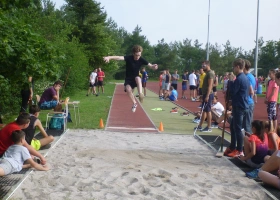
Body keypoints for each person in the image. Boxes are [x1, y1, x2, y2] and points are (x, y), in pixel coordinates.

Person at [103, 45, 158, 112]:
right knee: (128, 89)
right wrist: (109, 57)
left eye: (139, 55)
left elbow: (150, 65)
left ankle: (140, 93)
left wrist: (154, 66)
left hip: (136, 78)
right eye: (136, 55)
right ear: (133, 53)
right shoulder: (129, 58)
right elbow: (119, 57)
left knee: (138, 78)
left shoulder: (141, 59)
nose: (138, 57)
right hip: (128, 79)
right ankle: (134, 103)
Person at [224, 58, 250, 157]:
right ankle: (232, 146)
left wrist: (230, 81)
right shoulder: (243, 77)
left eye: (234, 67)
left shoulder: (239, 78)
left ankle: (239, 150)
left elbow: (233, 91)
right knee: (233, 126)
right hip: (239, 104)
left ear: (238, 67)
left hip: (240, 106)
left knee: (238, 128)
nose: (233, 69)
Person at [195, 61, 214, 132]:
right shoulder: (207, 73)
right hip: (205, 94)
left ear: (208, 65)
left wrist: (207, 96)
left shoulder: (210, 74)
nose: (202, 67)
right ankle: (200, 125)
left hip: (208, 94)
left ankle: (209, 127)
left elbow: (210, 85)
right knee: (204, 111)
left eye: (204, 66)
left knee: (208, 111)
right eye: (202, 66)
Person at [243, 60, 256, 135]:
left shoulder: (247, 77)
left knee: (247, 125)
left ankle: (250, 143)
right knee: (246, 124)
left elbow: (251, 91)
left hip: (248, 103)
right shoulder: (250, 76)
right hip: (248, 102)